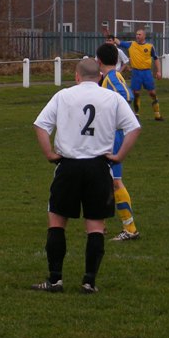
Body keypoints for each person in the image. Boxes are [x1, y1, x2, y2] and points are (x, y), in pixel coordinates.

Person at [31, 58, 140, 294]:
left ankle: (55, 280)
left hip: (68, 166)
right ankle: (89, 282)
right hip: (98, 167)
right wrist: (119, 156)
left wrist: (49, 153)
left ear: (77, 76)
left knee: (57, 222)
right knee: (95, 226)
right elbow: (134, 127)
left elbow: (40, 125)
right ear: (100, 76)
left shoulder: (63, 95)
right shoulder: (112, 98)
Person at [96, 43, 140, 241]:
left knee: (115, 181)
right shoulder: (110, 77)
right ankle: (100, 223)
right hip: (108, 135)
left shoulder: (112, 78)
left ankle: (130, 229)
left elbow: (126, 95)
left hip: (113, 136)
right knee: (102, 179)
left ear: (99, 61)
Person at [116, 29, 163, 120]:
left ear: (144, 36)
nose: (137, 36)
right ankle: (136, 115)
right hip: (136, 72)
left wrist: (159, 71)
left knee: (152, 93)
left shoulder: (150, 46)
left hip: (146, 72)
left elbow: (156, 59)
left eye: (139, 34)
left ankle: (157, 114)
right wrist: (110, 36)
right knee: (136, 93)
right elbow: (118, 42)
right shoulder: (131, 44)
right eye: (137, 34)